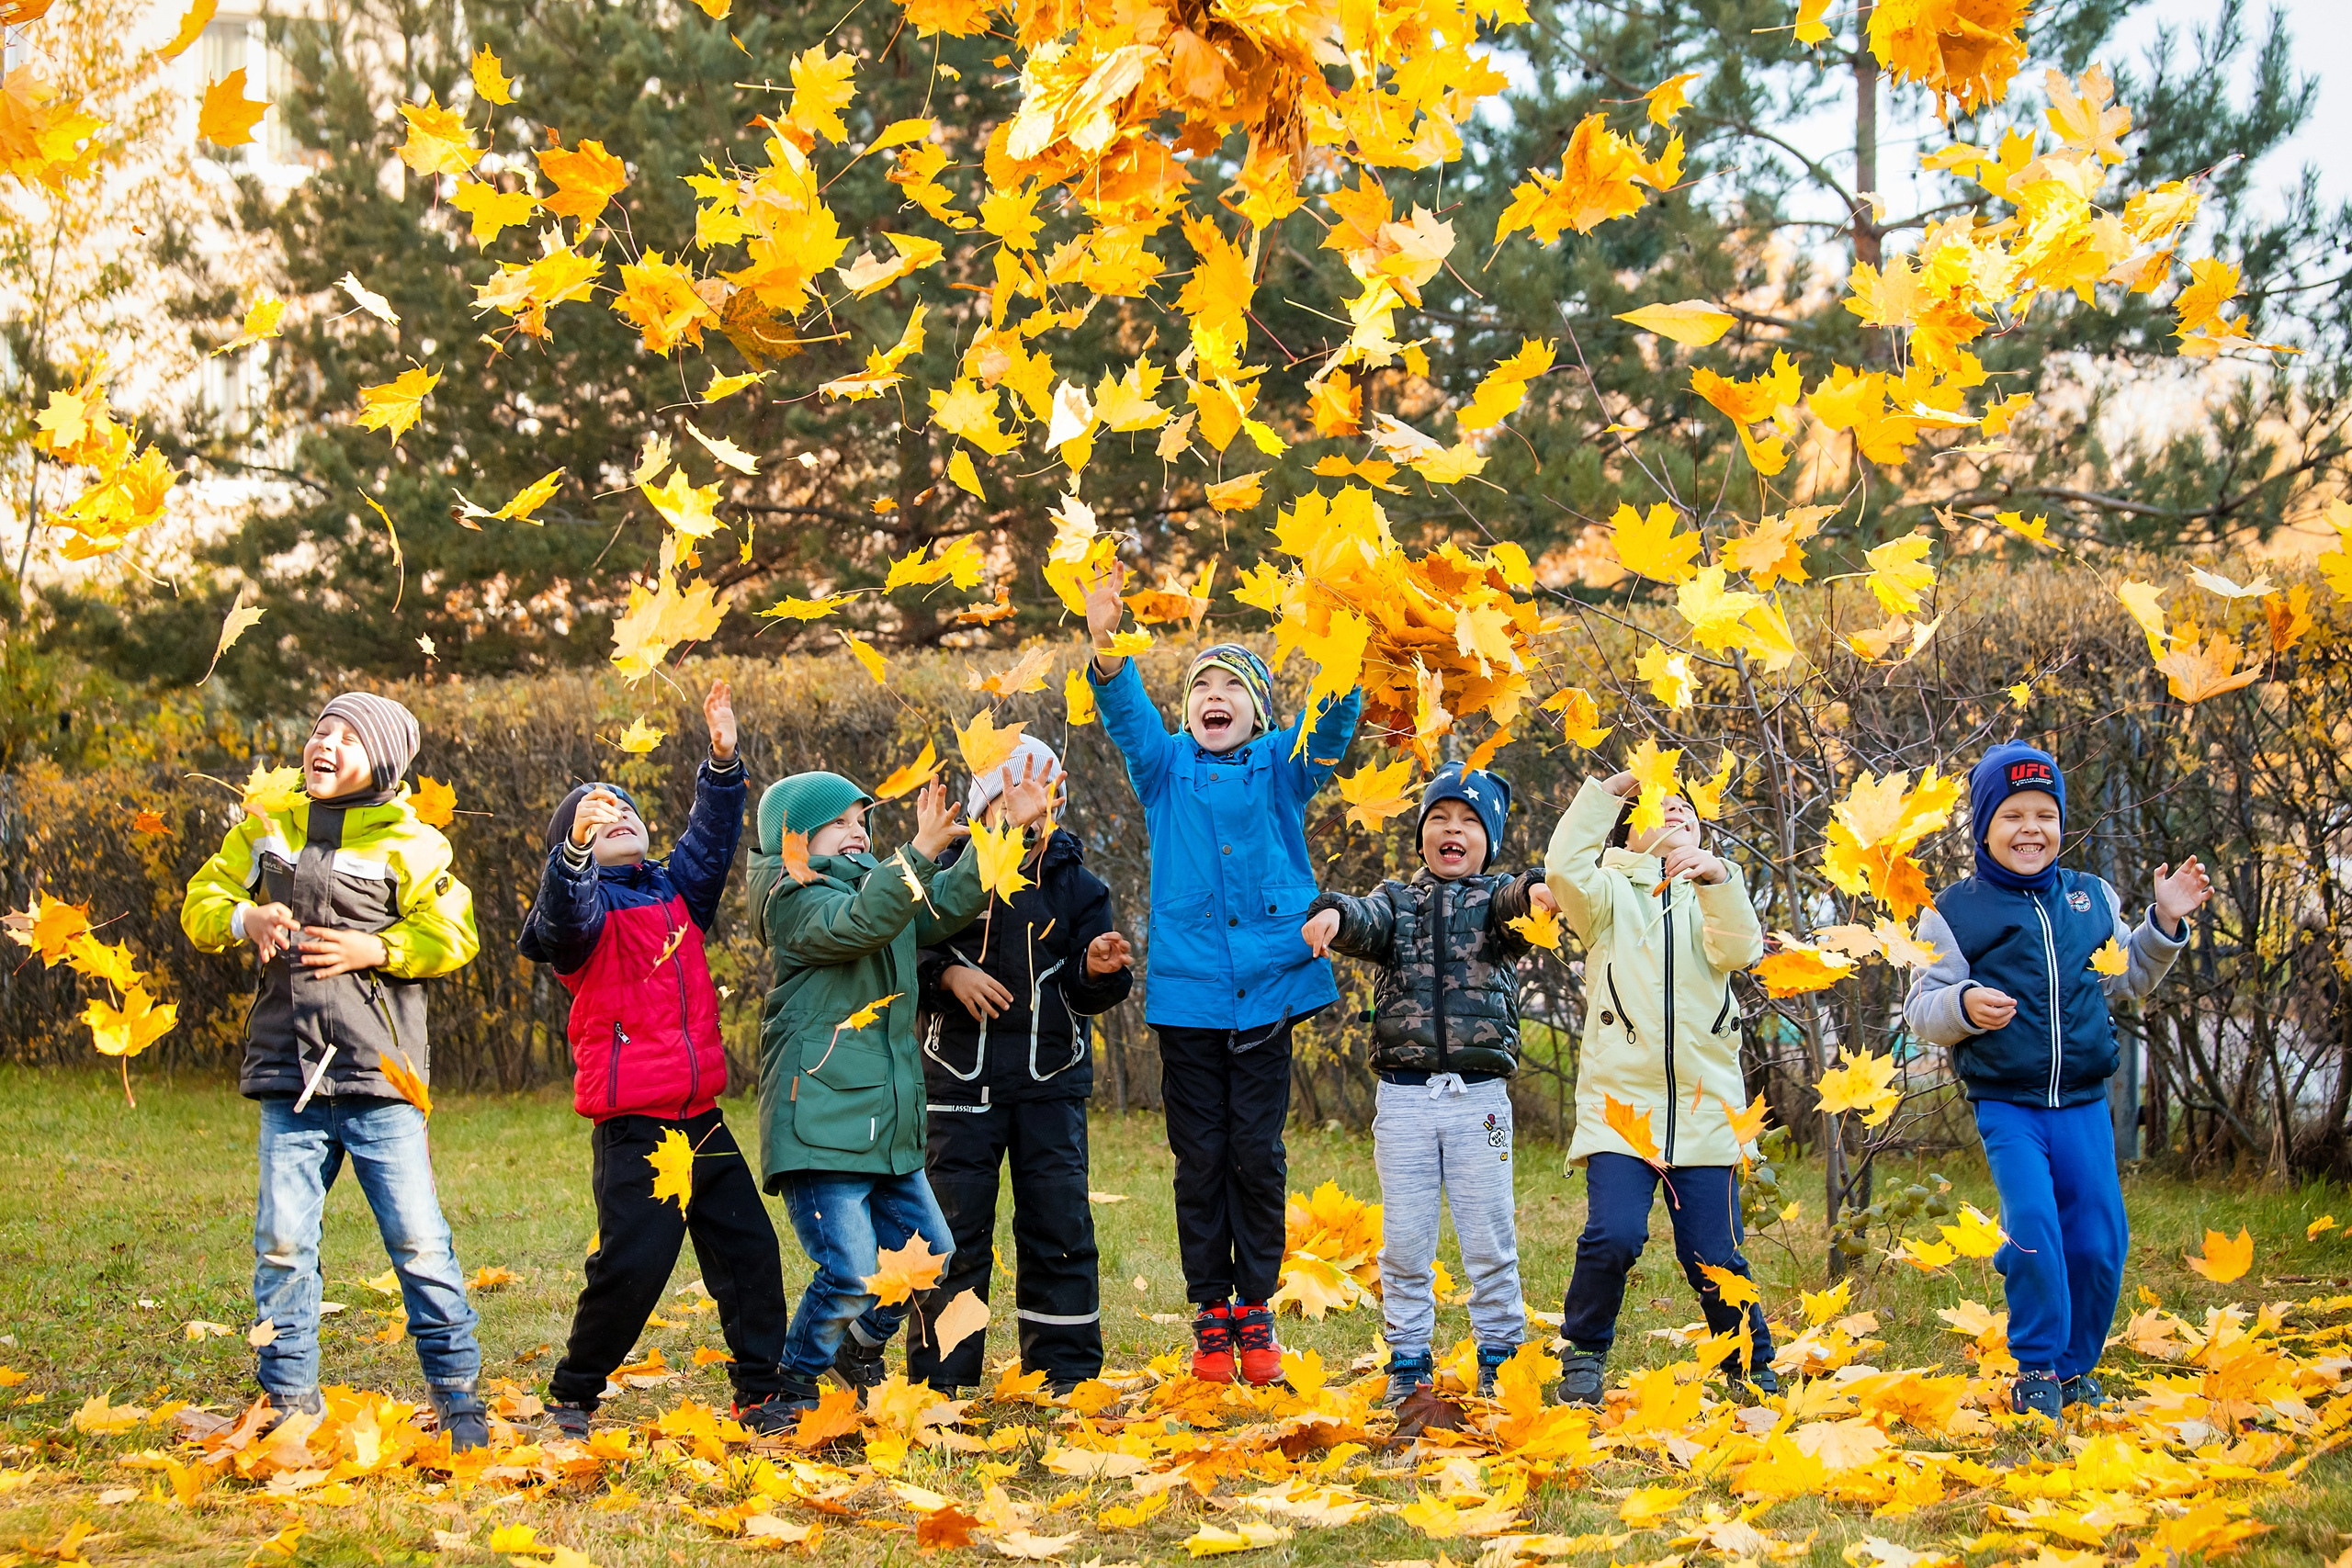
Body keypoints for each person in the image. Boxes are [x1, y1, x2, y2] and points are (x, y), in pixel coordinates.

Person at [180, 693, 490, 1448]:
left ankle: (459, 1401)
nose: (326, 743)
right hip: (290, 1074)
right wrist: (246, 917)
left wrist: (374, 948)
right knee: (282, 1242)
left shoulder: (412, 843)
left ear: (381, 763)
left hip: (379, 1077)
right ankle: (290, 1403)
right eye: (321, 729)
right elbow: (203, 899)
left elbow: (456, 932)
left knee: (418, 1244)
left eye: (348, 737)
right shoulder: (269, 826)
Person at [1080, 563, 1362, 1385]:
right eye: (1202, 685)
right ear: (1188, 711)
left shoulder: (1282, 765)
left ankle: (1256, 1302)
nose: (1215, 695)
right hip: (1190, 999)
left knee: (1256, 1154)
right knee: (1200, 1155)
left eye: (1233, 685)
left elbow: (1328, 728)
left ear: (1258, 711)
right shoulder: (1164, 767)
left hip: (1268, 990)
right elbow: (1128, 717)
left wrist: (1345, 653)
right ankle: (1212, 1307)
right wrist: (1107, 648)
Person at [516, 679, 796, 1438]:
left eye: (625, 809)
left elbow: (708, 841)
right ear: (573, 845)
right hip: (637, 1128)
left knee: (749, 1248)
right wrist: (575, 855)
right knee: (632, 1266)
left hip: (701, 1118)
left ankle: (760, 1390)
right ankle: (573, 1392)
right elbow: (564, 909)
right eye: (593, 815)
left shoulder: (675, 894)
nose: (616, 815)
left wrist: (723, 762)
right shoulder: (584, 919)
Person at [1905, 740, 2211, 1420]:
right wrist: (1964, 1005)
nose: (2031, 829)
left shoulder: (2091, 898)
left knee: (2100, 1241)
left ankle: (2075, 1368)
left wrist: (2163, 921)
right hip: (2007, 1104)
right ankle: (2037, 1366)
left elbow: (2128, 975)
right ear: (1984, 826)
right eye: (2012, 815)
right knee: (2035, 1227)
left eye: (2045, 814)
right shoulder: (1954, 911)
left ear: (2061, 822)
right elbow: (1921, 1008)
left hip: (2083, 1102)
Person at [748, 761, 1054, 1407]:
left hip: (885, 1125)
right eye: (837, 822)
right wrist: (915, 853)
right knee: (851, 1270)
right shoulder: (791, 898)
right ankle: (789, 1388)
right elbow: (859, 921)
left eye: (861, 819)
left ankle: (858, 1347)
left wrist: (1006, 831)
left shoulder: (881, 886)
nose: (857, 831)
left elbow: (944, 903)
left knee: (929, 1256)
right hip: (822, 1122)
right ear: (793, 839)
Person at [1301, 762, 1554, 1404]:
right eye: (1439, 818)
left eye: (1469, 821)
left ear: (1488, 840)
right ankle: (1409, 1360)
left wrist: (1536, 889)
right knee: (1406, 1243)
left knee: (1489, 1237)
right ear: (1421, 836)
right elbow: (1363, 916)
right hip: (1406, 1100)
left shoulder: (1496, 905)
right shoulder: (1397, 901)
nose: (1452, 829)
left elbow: (1516, 898)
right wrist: (1332, 913)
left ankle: (1501, 1357)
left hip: (1479, 1101)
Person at [908, 736, 1135, 1395]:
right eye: (1010, 804)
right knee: (952, 1233)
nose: (1027, 816)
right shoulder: (947, 877)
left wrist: (1098, 969)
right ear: (981, 808)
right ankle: (943, 1377)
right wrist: (947, 974)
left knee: (1058, 1226)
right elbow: (904, 949)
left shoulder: (1079, 886)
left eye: (1042, 804)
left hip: (1049, 1086)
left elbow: (1089, 990)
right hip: (958, 1087)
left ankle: (1064, 1370)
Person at [1544, 765, 1773, 1406]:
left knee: (1714, 1254)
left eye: (1685, 808)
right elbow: (1563, 868)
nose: (1673, 811)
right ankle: (1584, 1350)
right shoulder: (1607, 897)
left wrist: (1717, 880)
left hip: (1707, 1113)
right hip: (1623, 1111)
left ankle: (1749, 1361)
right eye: (1655, 805)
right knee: (1613, 1236)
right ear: (1626, 832)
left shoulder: (1715, 894)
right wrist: (1606, 792)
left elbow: (1741, 951)